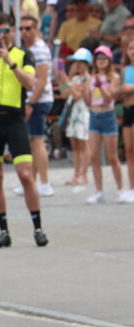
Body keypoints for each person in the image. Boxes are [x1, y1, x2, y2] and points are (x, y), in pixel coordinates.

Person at [0, 13, 48, 248]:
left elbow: (29, 82)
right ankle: (3, 230)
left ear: (11, 32)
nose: (1, 36)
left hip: (14, 118)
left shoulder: (25, 54)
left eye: (5, 31)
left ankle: (38, 226)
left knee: (25, 174)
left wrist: (10, 62)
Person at [16, 16, 56, 198]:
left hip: (39, 99)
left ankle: (45, 183)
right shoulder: (28, 48)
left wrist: (31, 102)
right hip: (33, 99)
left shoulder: (39, 49)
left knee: (38, 140)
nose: (24, 32)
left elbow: (42, 80)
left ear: (36, 29)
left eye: (28, 28)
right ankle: (31, 181)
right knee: (33, 141)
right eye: (22, 29)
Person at [84, 45, 123, 203]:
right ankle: (98, 190)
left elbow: (110, 98)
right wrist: (86, 90)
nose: (100, 61)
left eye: (103, 58)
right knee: (94, 156)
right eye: (98, 58)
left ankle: (121, 188)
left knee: (112, 156)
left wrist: (102, 86)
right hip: (94, 115)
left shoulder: (113, 77)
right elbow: (88, 101)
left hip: (107, 115)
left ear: (109, 60)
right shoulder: (90, 78)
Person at [63, 48, 92, 187]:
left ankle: (83, 174)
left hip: (82, 112)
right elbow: (65, 93)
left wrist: (67, 81)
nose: (77, 65)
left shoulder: (88, 78)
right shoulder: (74, 78)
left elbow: (77, 95)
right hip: (73, 113)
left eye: (80, 62)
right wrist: (68, 78)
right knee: (75, 145)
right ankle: (76, 174)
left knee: (83, 144)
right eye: (76, 62)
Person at [119, 40, 134, 202]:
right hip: (127, 109)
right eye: (130, 48)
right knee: (129, 150)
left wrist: (131, 88)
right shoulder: (125, 70)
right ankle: (131, 186)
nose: (132, 52)